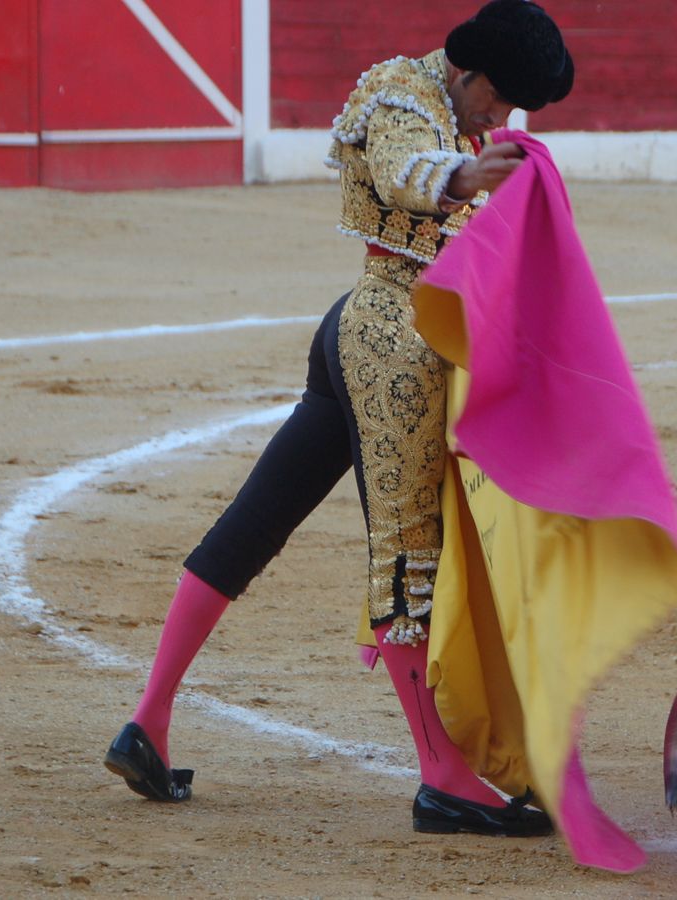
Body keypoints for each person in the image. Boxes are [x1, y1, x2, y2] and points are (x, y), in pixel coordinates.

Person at [103, 0, 574, 838]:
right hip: (390, 339)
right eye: (496, 101)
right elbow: (404, 170)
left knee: (259, 519)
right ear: (466, 71)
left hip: (367, 334)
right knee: (407, 550)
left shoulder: (471, 122)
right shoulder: (403, 92)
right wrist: (467, 178)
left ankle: (148, 721)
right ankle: (442, 779)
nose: (500, 119)